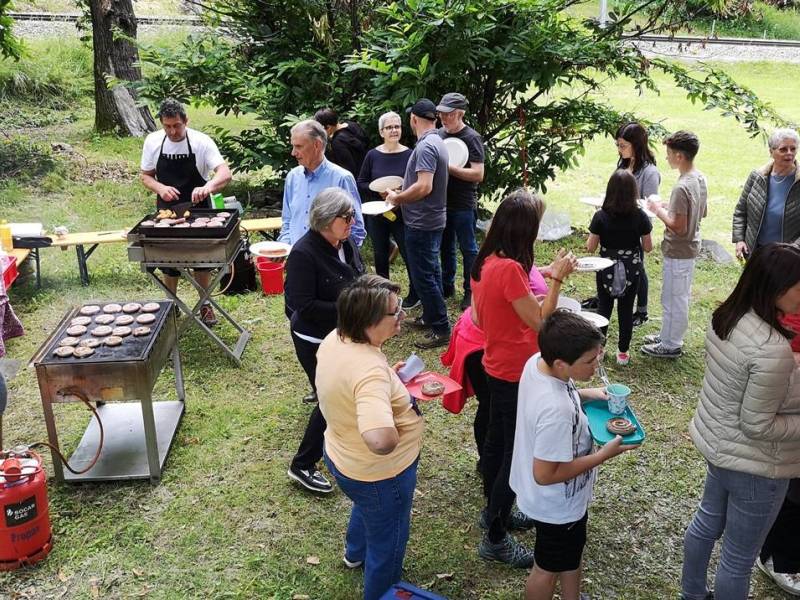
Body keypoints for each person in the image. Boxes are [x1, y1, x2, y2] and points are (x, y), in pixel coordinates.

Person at [681, 243, 800, 600]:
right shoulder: (773, 349)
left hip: (720, 448)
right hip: (756, 465)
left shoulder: (729, 315)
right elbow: (758, 425)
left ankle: (691, 593)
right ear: (776, 288)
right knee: (738, 559)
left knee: (705, 524)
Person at [471, 188, 576, 567]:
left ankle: (493, 513)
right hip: (519, 373)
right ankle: (495, 537)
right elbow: (542, 322)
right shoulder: (511, 271)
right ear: (524, 230)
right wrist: (558, 280)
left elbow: (481, 318)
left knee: (497, 445)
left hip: (495, 366)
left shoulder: (484, 262)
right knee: (514, 459)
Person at [510, 310, 639, 600]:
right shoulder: (556, 410)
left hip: (562, 502)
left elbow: (557, 398)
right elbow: (545, 474)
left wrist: (588, 393)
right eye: (590, 361)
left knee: (570, 554)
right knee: (546, 568)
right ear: (561, 363)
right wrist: (603, 455)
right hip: (556, 506)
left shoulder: (537, 364)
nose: (596, 365)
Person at [317, 274, 424, 600]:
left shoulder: (335, 339)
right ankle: (381, 592)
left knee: (367, 508)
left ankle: (355, 553)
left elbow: (352, 383)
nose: (401, 315)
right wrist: (396, 425)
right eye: (395, 311)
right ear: (369, 321)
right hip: (381, 475)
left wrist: (390, 377)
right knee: (389, 540)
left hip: (341, 456)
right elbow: (379, 439)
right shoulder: (369, 372)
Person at [284, 188, 365, 494]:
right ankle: (303, 464)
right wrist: (353, 311)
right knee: (330, 398)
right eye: (347, 217)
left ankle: (343, 438)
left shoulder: (346, 242)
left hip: (343, 334)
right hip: (315, 339)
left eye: (352, 214)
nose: (352, 221)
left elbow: (358, 276)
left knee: (341, 394)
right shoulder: (304, 254)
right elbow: (302, 306)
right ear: (327, 220)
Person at [140, 98, 232, 325]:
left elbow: (225, 173)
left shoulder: (201, 142)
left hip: (199, 210)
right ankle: (172, 304)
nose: (172, 131)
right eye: (167, 126)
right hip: (166, 210)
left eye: (177, 126)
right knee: (167, 260)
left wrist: (208, 187)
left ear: (186, 121)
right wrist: (160, 188)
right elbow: (145, 176)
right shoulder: (153, 142)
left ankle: (205, 304)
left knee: (202, 260)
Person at [385, 99, 450, 350]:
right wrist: (402, 190)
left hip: (423, 223)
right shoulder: (437, 141)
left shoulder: (425, 147)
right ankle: (431, 317)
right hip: (431, 219)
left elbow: (424, 186)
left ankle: (441, 328)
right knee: (430, 271)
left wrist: (397, 198)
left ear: (413, 119)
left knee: (424, 276)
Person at [642, 131, 707, 358]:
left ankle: (671, 344)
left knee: (674, 298)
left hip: (679, 251)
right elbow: (702, 211)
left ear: (679, 156)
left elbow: (678, 226)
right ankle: (667, 335)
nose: (667, 158)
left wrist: (656, 208)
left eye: (669, 154)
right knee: (675, 295)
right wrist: (669, 206)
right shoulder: (698, 178)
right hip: (689, 249)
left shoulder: (681, 187)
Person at [586, 169, 653, 365]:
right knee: (625, 310)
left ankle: (599, 349)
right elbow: (648, 247)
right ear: (634, 192)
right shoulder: (641, 216)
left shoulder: (600, 216)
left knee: (604, 308)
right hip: (632, 270)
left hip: (605, 269)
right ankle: (623, 353)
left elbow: (590, 246)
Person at [356, 111, 417, 305]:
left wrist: (400, 192)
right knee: (380, 253)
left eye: (397, 126)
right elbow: (361, 182)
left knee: (409, 253)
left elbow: (418, 183)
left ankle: (415, 294)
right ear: (381, 132)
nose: (394, 130)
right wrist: (378, 190)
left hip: (402, 212)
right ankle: (383, 295)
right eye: (389, 127)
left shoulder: (410, 154)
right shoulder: (372, 155)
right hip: (377, 212)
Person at [278, 119, 366, 247]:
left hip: (328, 262)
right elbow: (287, 221)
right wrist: (284, 247)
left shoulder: (342, 178)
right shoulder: (293, 177)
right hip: (297, 258)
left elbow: (356, 229)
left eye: (298, 146)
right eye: (293, 146)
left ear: (317, 145)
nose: (293, 153)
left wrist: (336, 259)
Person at [437, 92, 485, 311]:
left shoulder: (471, 137)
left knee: (469, 248)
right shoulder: (438, 136)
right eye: (441, 114)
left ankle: (470, 290)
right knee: (445, 247)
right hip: (440, 203)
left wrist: (450, 168)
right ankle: (447, 286)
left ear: (460, 113)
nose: (443, 118)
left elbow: (478, 174)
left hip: (464, 203)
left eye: (448, 114)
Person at [615, 122, 660, 327]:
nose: (620, 149)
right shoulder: (623, 164)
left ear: (636, 144)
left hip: (636, 227)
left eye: (623, 145)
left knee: (638, 268)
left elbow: (650, 205)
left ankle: (641, 310)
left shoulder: (649, 172)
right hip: (618, 224)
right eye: (618, 145)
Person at [732, 127, 800, 260]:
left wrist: (794, 248)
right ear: (771, 151)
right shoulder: (757, 176)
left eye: (793, 148)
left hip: (790, 256)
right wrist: (739, 240)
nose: (789, 153)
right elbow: (741, 211)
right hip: (757, 252)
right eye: (783, 149)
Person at [314, 108, 370, 178]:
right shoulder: (352, 125)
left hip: (357, 179)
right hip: (369, 171)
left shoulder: (337, 143)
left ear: (328, 127)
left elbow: (347, 169)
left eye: (321, 130)